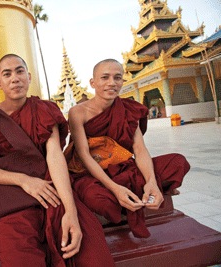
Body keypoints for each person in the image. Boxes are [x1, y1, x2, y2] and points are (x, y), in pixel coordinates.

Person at [0, 54, 115, 266]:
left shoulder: (44, 109)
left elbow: (54, 155)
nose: (15, 78)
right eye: (7, 74)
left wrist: (70, 210)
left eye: (20, 72)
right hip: (13, 199)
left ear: (29, 76)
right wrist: (24, 180)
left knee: (90, 249)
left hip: (50, 189)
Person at [66, 59, 190, 238]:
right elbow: (84, 155)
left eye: (117, 78)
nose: (112, 83)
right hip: (92, 173)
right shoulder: (78, 112)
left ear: (122, 81)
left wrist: (151, 181)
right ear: (92, 83)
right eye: (105, 77)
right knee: (99, 200)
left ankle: (148, 189)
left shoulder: (128, 109)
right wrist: (115, 188)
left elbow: (139, 150)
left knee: (178, 162)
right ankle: (133, 194)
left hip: (123, 168)